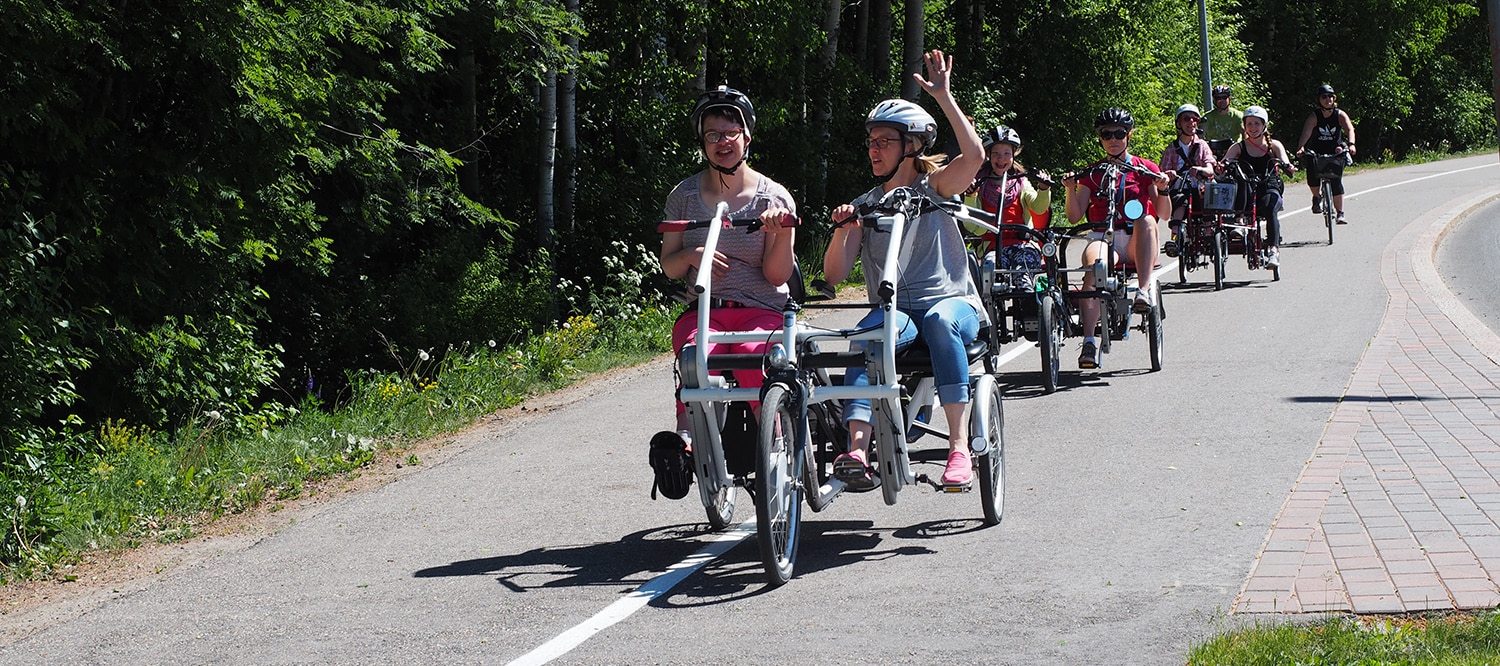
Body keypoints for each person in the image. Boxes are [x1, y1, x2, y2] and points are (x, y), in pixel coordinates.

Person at [823, 50, 987, 490]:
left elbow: (973, 158)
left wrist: (945, 98)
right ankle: (856, 449)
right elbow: (835, 276)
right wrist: (844, 230)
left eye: (884, 142)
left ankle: (957, 447)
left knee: (938, 319)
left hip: (952, 304)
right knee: (867, 336)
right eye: (871, 142)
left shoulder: (934, 187)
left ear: (911, 146)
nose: (873, 150)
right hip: (898, 313)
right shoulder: (866, 203)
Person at [649, 85, 797, 500]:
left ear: (747, 137)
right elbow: (669, 265)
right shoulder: (684, 197)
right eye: (713, 134)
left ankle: (775, 442)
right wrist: (695, 253)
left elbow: (777, 275)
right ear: (702, 142)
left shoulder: (773, 196)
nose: (723, 142)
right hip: (706, 309)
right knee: (695, 357)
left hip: (761, 308)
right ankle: (686, 441)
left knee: (752, 358)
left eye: (731, 132)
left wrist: (780, 232)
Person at [1062, 108, 1170, 370]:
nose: (1113, 139)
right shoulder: (1092, 173)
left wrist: (1164, 190)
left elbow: (1164, 214)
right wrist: (1070, 190)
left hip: (1135, 241)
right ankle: (1089, 340)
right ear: (1100, 138)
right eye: (1106, 134)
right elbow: (1075, 217)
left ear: (1129, 135)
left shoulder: (1145, 169)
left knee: (1146, 219)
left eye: (1119, 133)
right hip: (1102, 237)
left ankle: (1143, 291)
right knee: (1094, 269)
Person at [964, 125, 1052, 270]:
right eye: (996, 153)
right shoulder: (978, 183)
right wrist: (971, 196)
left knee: (1024, 269)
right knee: (990, 270)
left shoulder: (1021, 181)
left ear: (1013, 155)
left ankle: (1025, 292)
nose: (1001, 158)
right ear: (989, 155)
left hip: (1022, 244)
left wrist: (1043, 189)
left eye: (1006, 153)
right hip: (993, 247)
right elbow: (975, 228)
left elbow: (1039, 208)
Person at [1221, 105, 1295, 267]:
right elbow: (1225, 162)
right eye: (1249, 124)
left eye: (1256, 124)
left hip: (1269, 185)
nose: (1253, 127)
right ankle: (1239, 222)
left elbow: (1284, 160)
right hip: (1247, 187)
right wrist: (1222, 166)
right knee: (1240, 183)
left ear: (1264, 125)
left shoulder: (1273, 145)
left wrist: (1287, 166)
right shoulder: (1238, 147)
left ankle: (1274, 251)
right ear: (1244, 126)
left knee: (1270, 210)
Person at [1158, 103, 1219, 257]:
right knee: (1179, 201)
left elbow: (1211, 169)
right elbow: (1161, 175)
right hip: (1181, 187)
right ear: (1179, 123)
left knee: (1207, 198)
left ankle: (1208, 234)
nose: (1191, 122)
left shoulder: (1202, 145)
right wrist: (1169, 174)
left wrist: (1200, 169)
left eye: (1194, 119)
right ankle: (1175, 238)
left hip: (1200, 186)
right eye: (1186, 119)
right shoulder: (1172, 149)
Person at [1295, 84, 1357, 224]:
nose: (1328, 99)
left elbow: (1349, 129)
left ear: (1334, 98)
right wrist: (1301, 147)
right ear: (1319, 100)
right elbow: (1306, 132)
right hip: (1317, 151)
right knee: (1312, 176)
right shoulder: (1315, 116)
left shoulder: (1339, 114)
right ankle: (1317, 197)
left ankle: (1340, 213)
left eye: (1330, 96)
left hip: (1335, 150)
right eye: (1324, 97)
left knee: (1336, 181)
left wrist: (1351, 144)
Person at [1200, 84, 1244, 158]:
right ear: (1214, 100)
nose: (1221, 100)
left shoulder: (1237, 116)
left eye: (1224, 97)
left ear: (1229, 98)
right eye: (1218, 98)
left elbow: (1245, 135)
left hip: (1234, 154)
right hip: (1213, 153)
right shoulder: (1207, 117)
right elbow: (1199, 136)